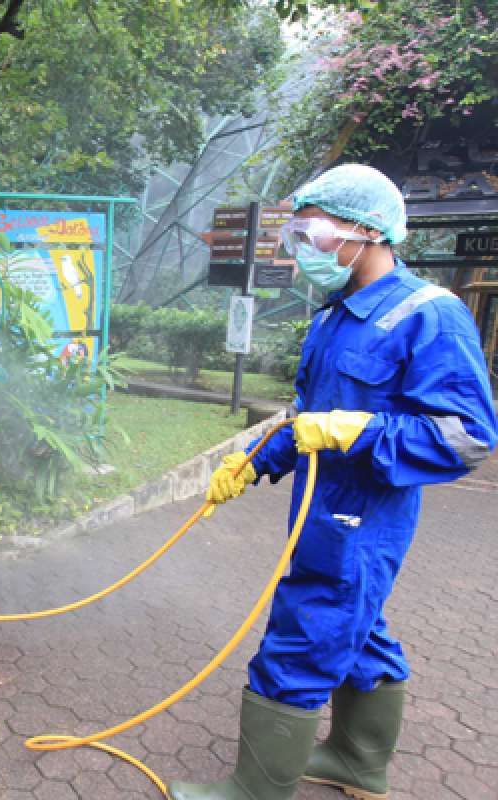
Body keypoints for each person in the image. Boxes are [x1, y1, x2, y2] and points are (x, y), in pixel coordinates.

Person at [168, 164, 497, 800]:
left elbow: (469, 436)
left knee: (305, 633)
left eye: (314, 232)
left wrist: (361, 432)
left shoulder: (431, 316)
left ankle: (256, 791)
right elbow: (308, 419)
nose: (304, 249)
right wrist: (256, 461)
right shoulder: (333, 317)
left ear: (367, 231)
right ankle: (357, 760)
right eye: (298, 234)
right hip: (320, 509)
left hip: (361, 520)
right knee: (360, 631)